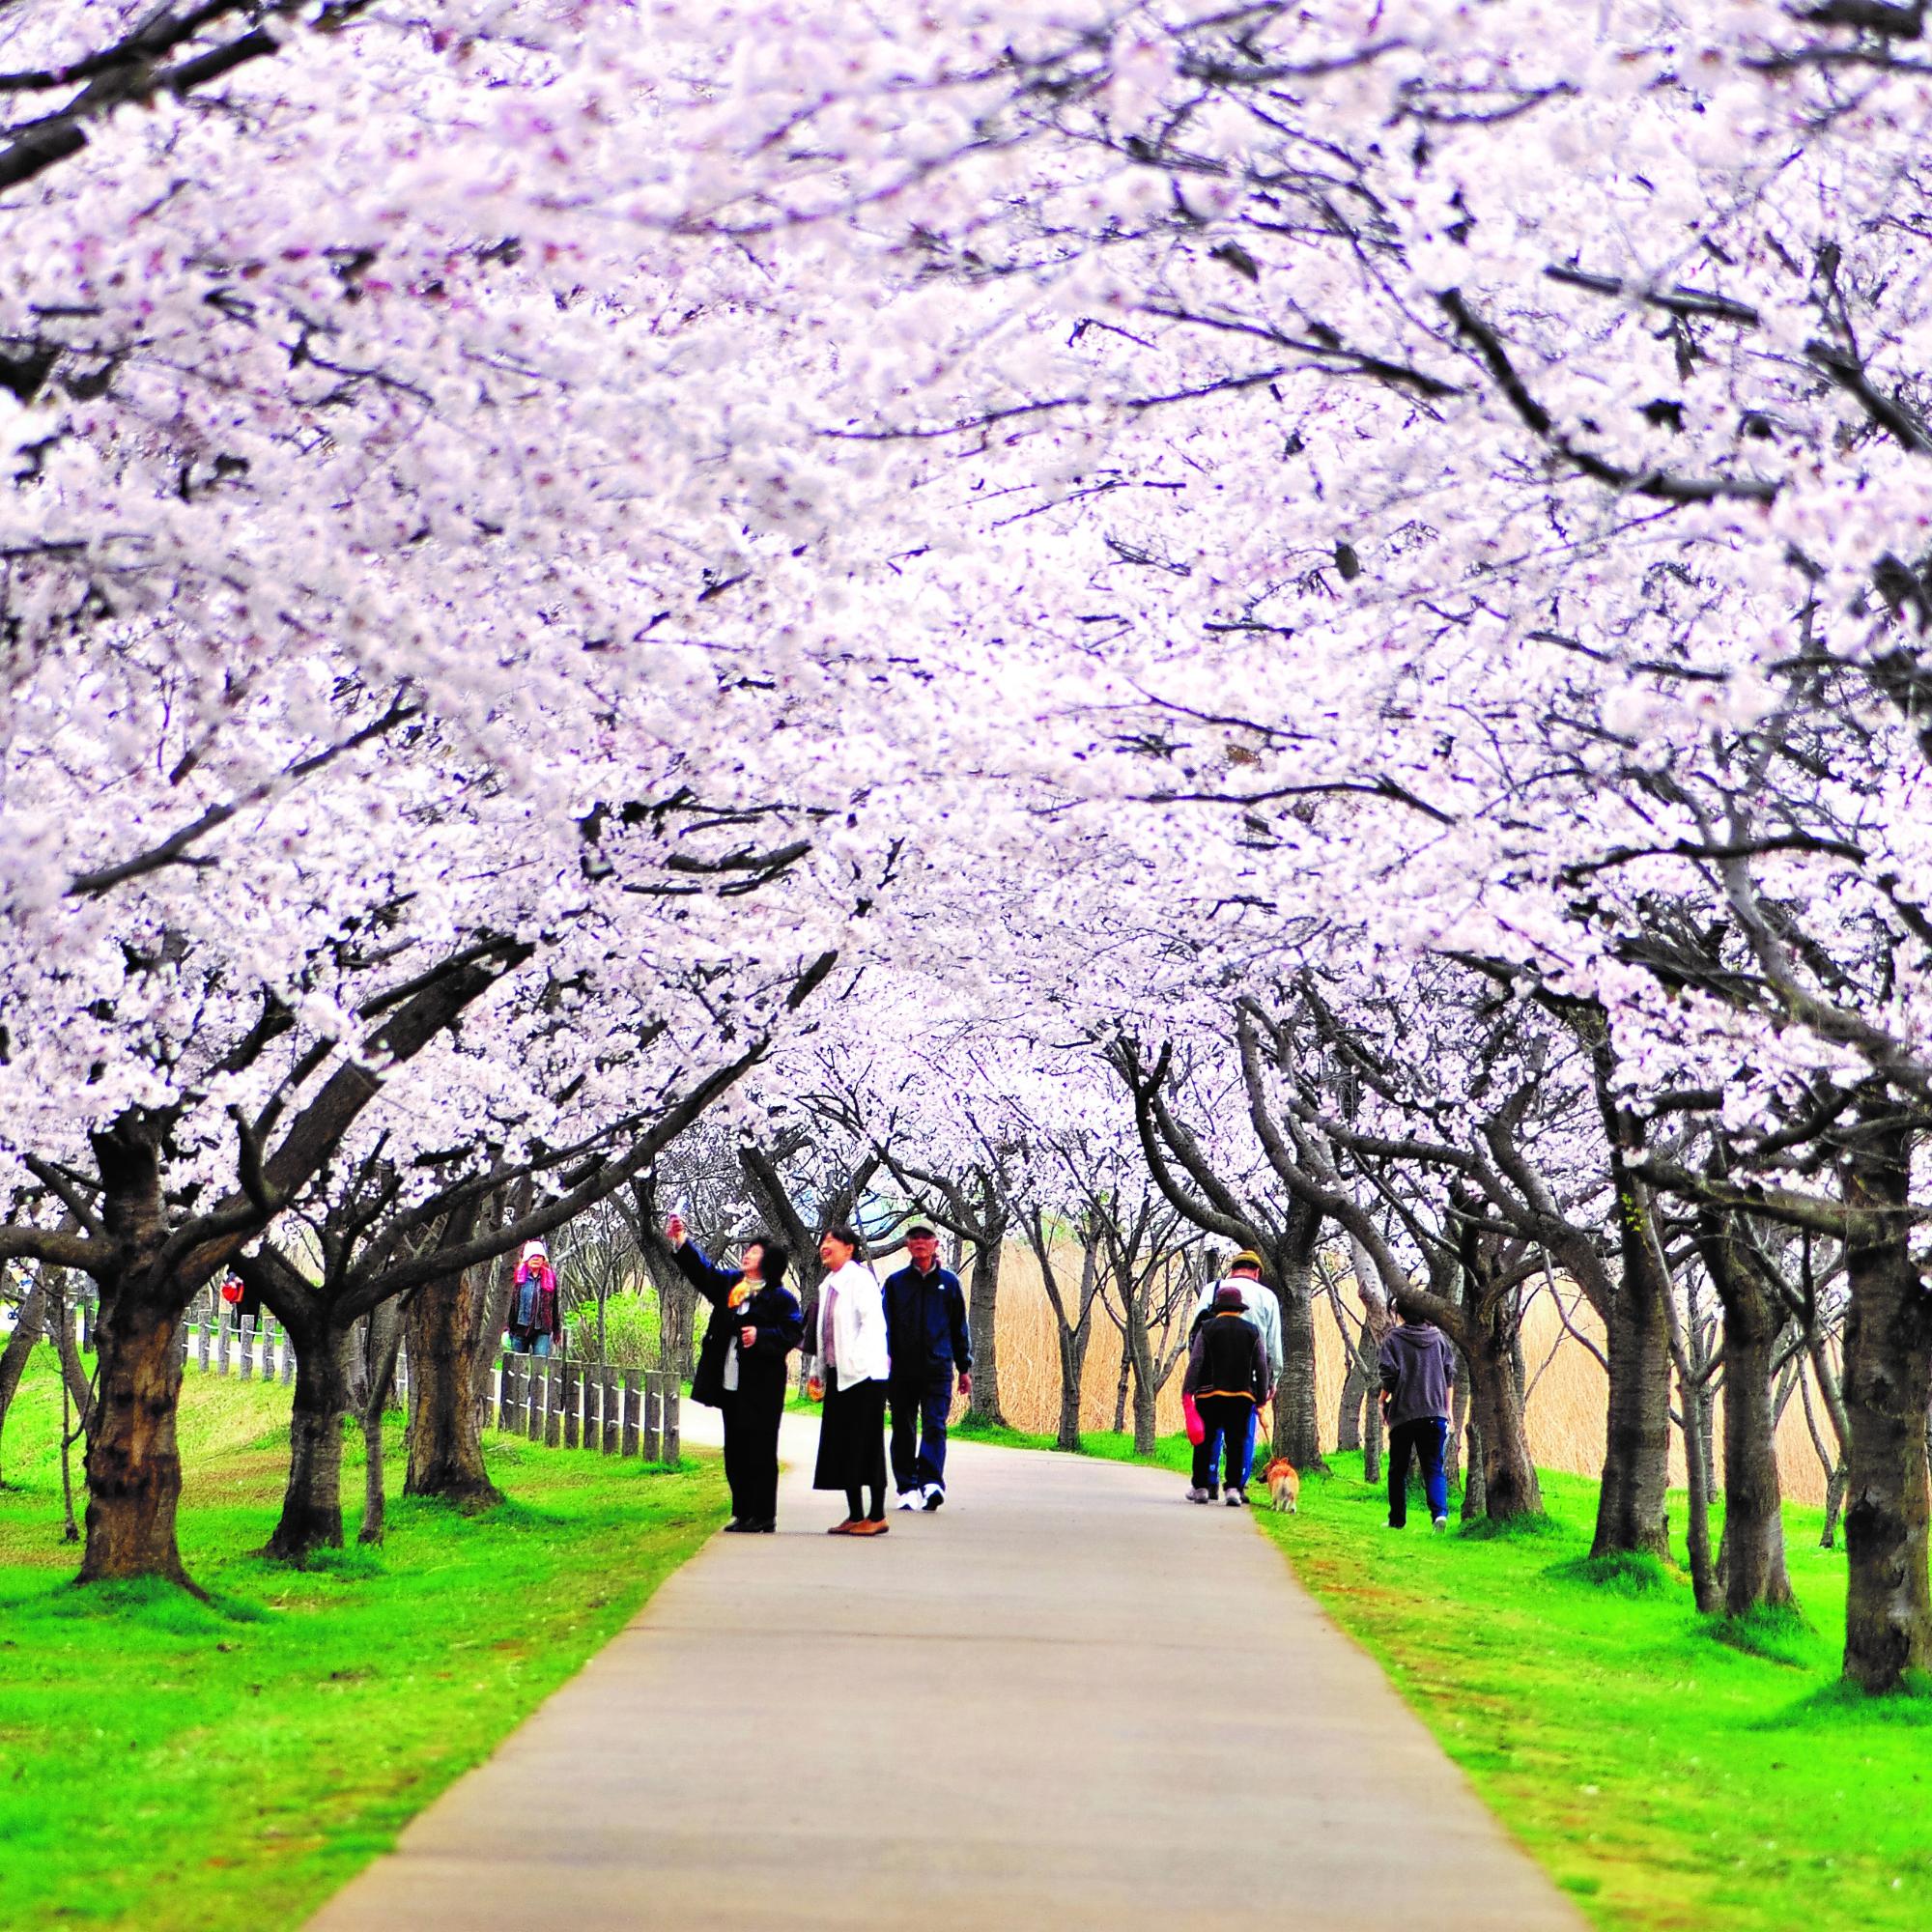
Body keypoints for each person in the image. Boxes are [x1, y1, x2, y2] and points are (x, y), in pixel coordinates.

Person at [668, 1213, 803, 1534]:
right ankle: (742, 1512)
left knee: (761, 1450)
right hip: (730, 1381)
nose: (746, 1254)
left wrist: (762, 1336)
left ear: (769, 1261)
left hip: (763, 1387)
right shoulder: (732, 1286)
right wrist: (682, 1240)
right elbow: (702, 1273)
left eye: (754, 1252)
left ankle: (763, 1515)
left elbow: (792, 1332)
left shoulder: (781, 1298)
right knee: (736, 1450)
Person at [882, 1224, 973, 1511]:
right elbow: (884, 1326)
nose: (920, 1242)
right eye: (914, 1238)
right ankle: (907, 1486)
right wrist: (884, 1358)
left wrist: (964, 1367)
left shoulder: (949, 1283)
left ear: (935, 1244)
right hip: (902, 1369)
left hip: (938, 1367)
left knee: (935, 1425)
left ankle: (931, 1482)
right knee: (903, 1427)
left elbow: (960, 1327)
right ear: (907, 1245)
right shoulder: (896, 1283)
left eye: (925, 1238)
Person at [810, 1225, 892, 1535]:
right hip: (839, 1375)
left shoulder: (860, 1280)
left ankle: (877, 1514)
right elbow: (825, 1334)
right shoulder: (829, 1284)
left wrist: (856, 1362)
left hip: (864, 1377)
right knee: (844, 1445)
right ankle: (855, 1514)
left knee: (866, 1444)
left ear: (850, 1249)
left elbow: (873, 1326)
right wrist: (820, 1372)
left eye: (832, 1241)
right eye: (823, 1241)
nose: (824, 1246)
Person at [1190, 1248, 1281, 1492]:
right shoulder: (1267, 1296)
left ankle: (1207, 1481)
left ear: (1232, 1270)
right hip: (1246, 1382)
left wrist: (1194, 1377)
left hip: (1210, 1379)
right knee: (1242, 1434)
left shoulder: (1212, 1289)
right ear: (1257, 1272)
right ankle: (1237, 1485)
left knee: (1211, 1432)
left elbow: (1196, 1333)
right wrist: (1272, 1381)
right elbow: (1272, 1345)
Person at [1182, 1283, 1269, 1505]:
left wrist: (1188, 1391)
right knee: (1237, 1441)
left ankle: (1200, 1487)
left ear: (1218, 1307)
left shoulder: (1207, 1328)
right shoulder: (1252, 1332)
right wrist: (1260, 1398)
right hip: (1241, 1396)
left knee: (1205, 1441)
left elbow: (1196, 1362)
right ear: (1239, 1309)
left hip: (1209, 1396)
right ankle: (1233, 1489)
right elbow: (1261, 1366)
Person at [1378, 1297, 1456, 1531]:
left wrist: (1382, 1399)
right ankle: (1439, 1515)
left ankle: (1397, 1520)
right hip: (1436, 1413)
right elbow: (1449, 1375)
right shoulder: (1439, 1339)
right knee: (1433, 1467)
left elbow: (1389, 1375)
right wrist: (1448, 1409)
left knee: (1398, 1469)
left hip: (1403, 1414)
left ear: (1400, 1314)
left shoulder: (1393, 1339)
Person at [507, 1241, 562, 1357]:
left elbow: (555, 1305)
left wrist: (557, 1330)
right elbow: (511, 1305)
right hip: (519, 1328)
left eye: (539, 1257)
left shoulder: (549, 1278)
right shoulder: (518, 1278)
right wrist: (508, 1327)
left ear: (543, 1260)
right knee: (516, 1365)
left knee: (540, 1364)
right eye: (533, 1256)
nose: (536, 1259)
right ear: (527, 1259)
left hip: (542, 1329)